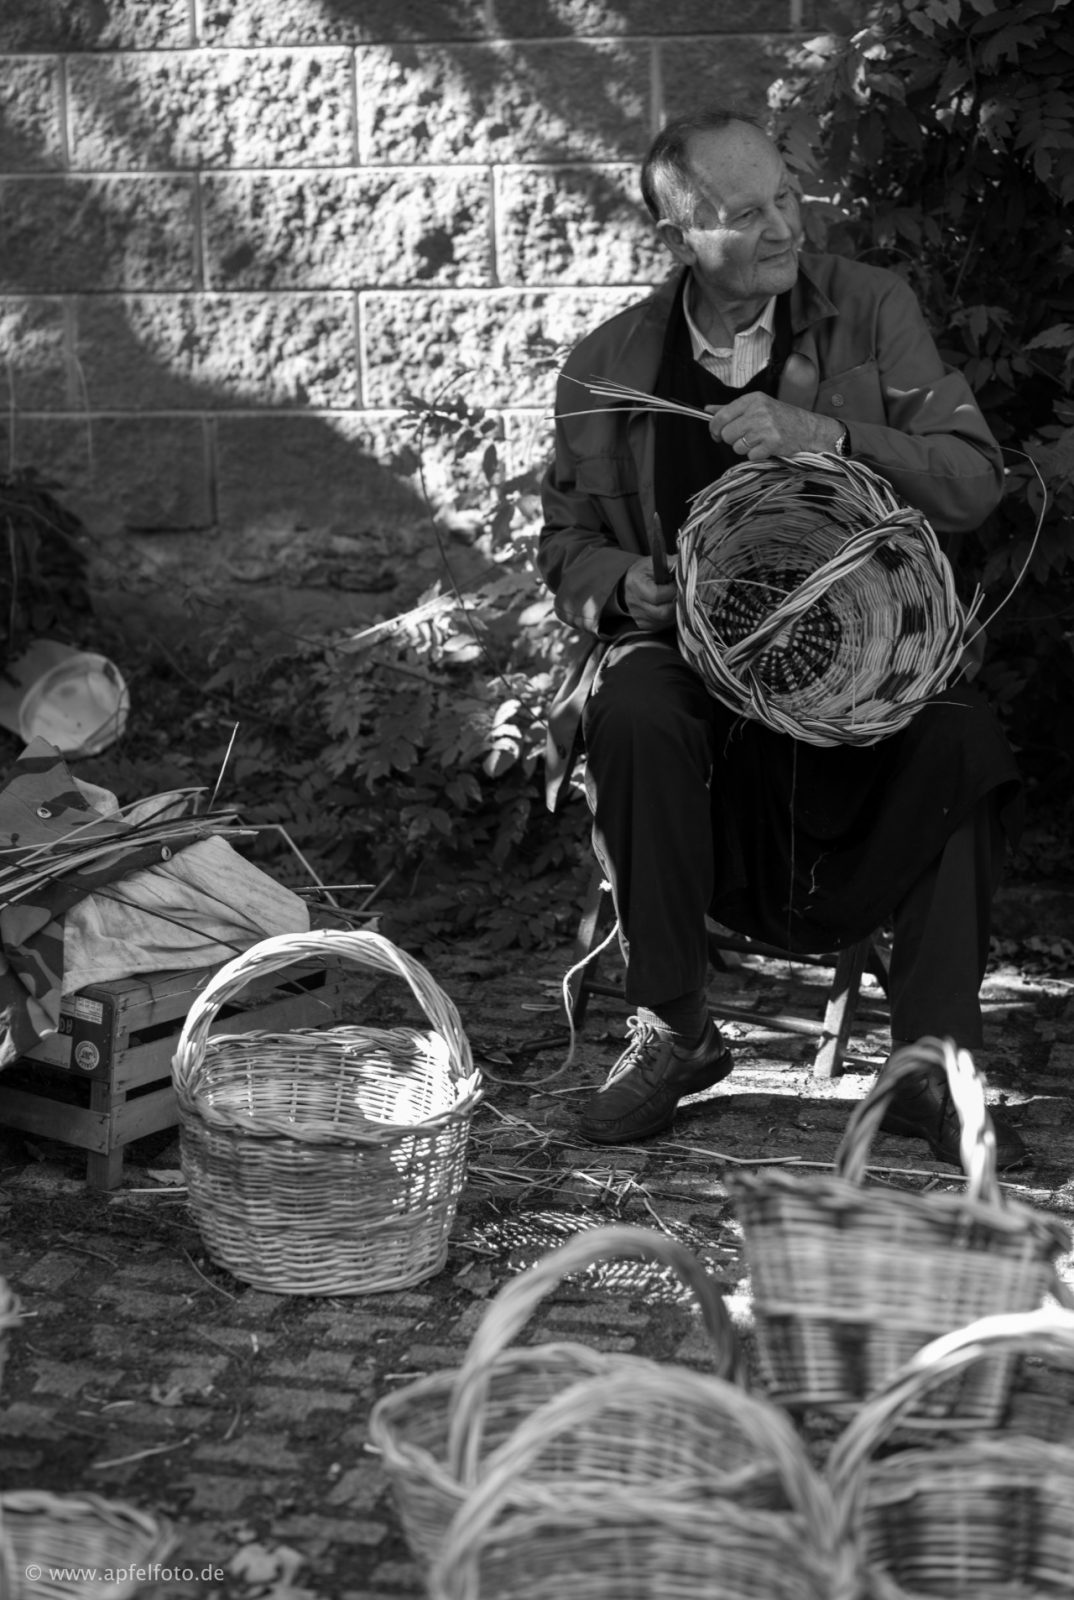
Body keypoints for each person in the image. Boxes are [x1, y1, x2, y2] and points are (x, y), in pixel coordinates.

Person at [537, 106, 1026, 1165]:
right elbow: (566, 546)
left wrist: (829, 433)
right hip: (696, 685)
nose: (784, 227)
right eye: (745, 212)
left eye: (788, 198)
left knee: (960, 737)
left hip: (860, 661)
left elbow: (975, 478)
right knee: (629, 701)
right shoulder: (607, 366)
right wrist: (626, 583)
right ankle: (673, 1027)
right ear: (676, 239)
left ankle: (932, 1072)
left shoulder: (868, 310)